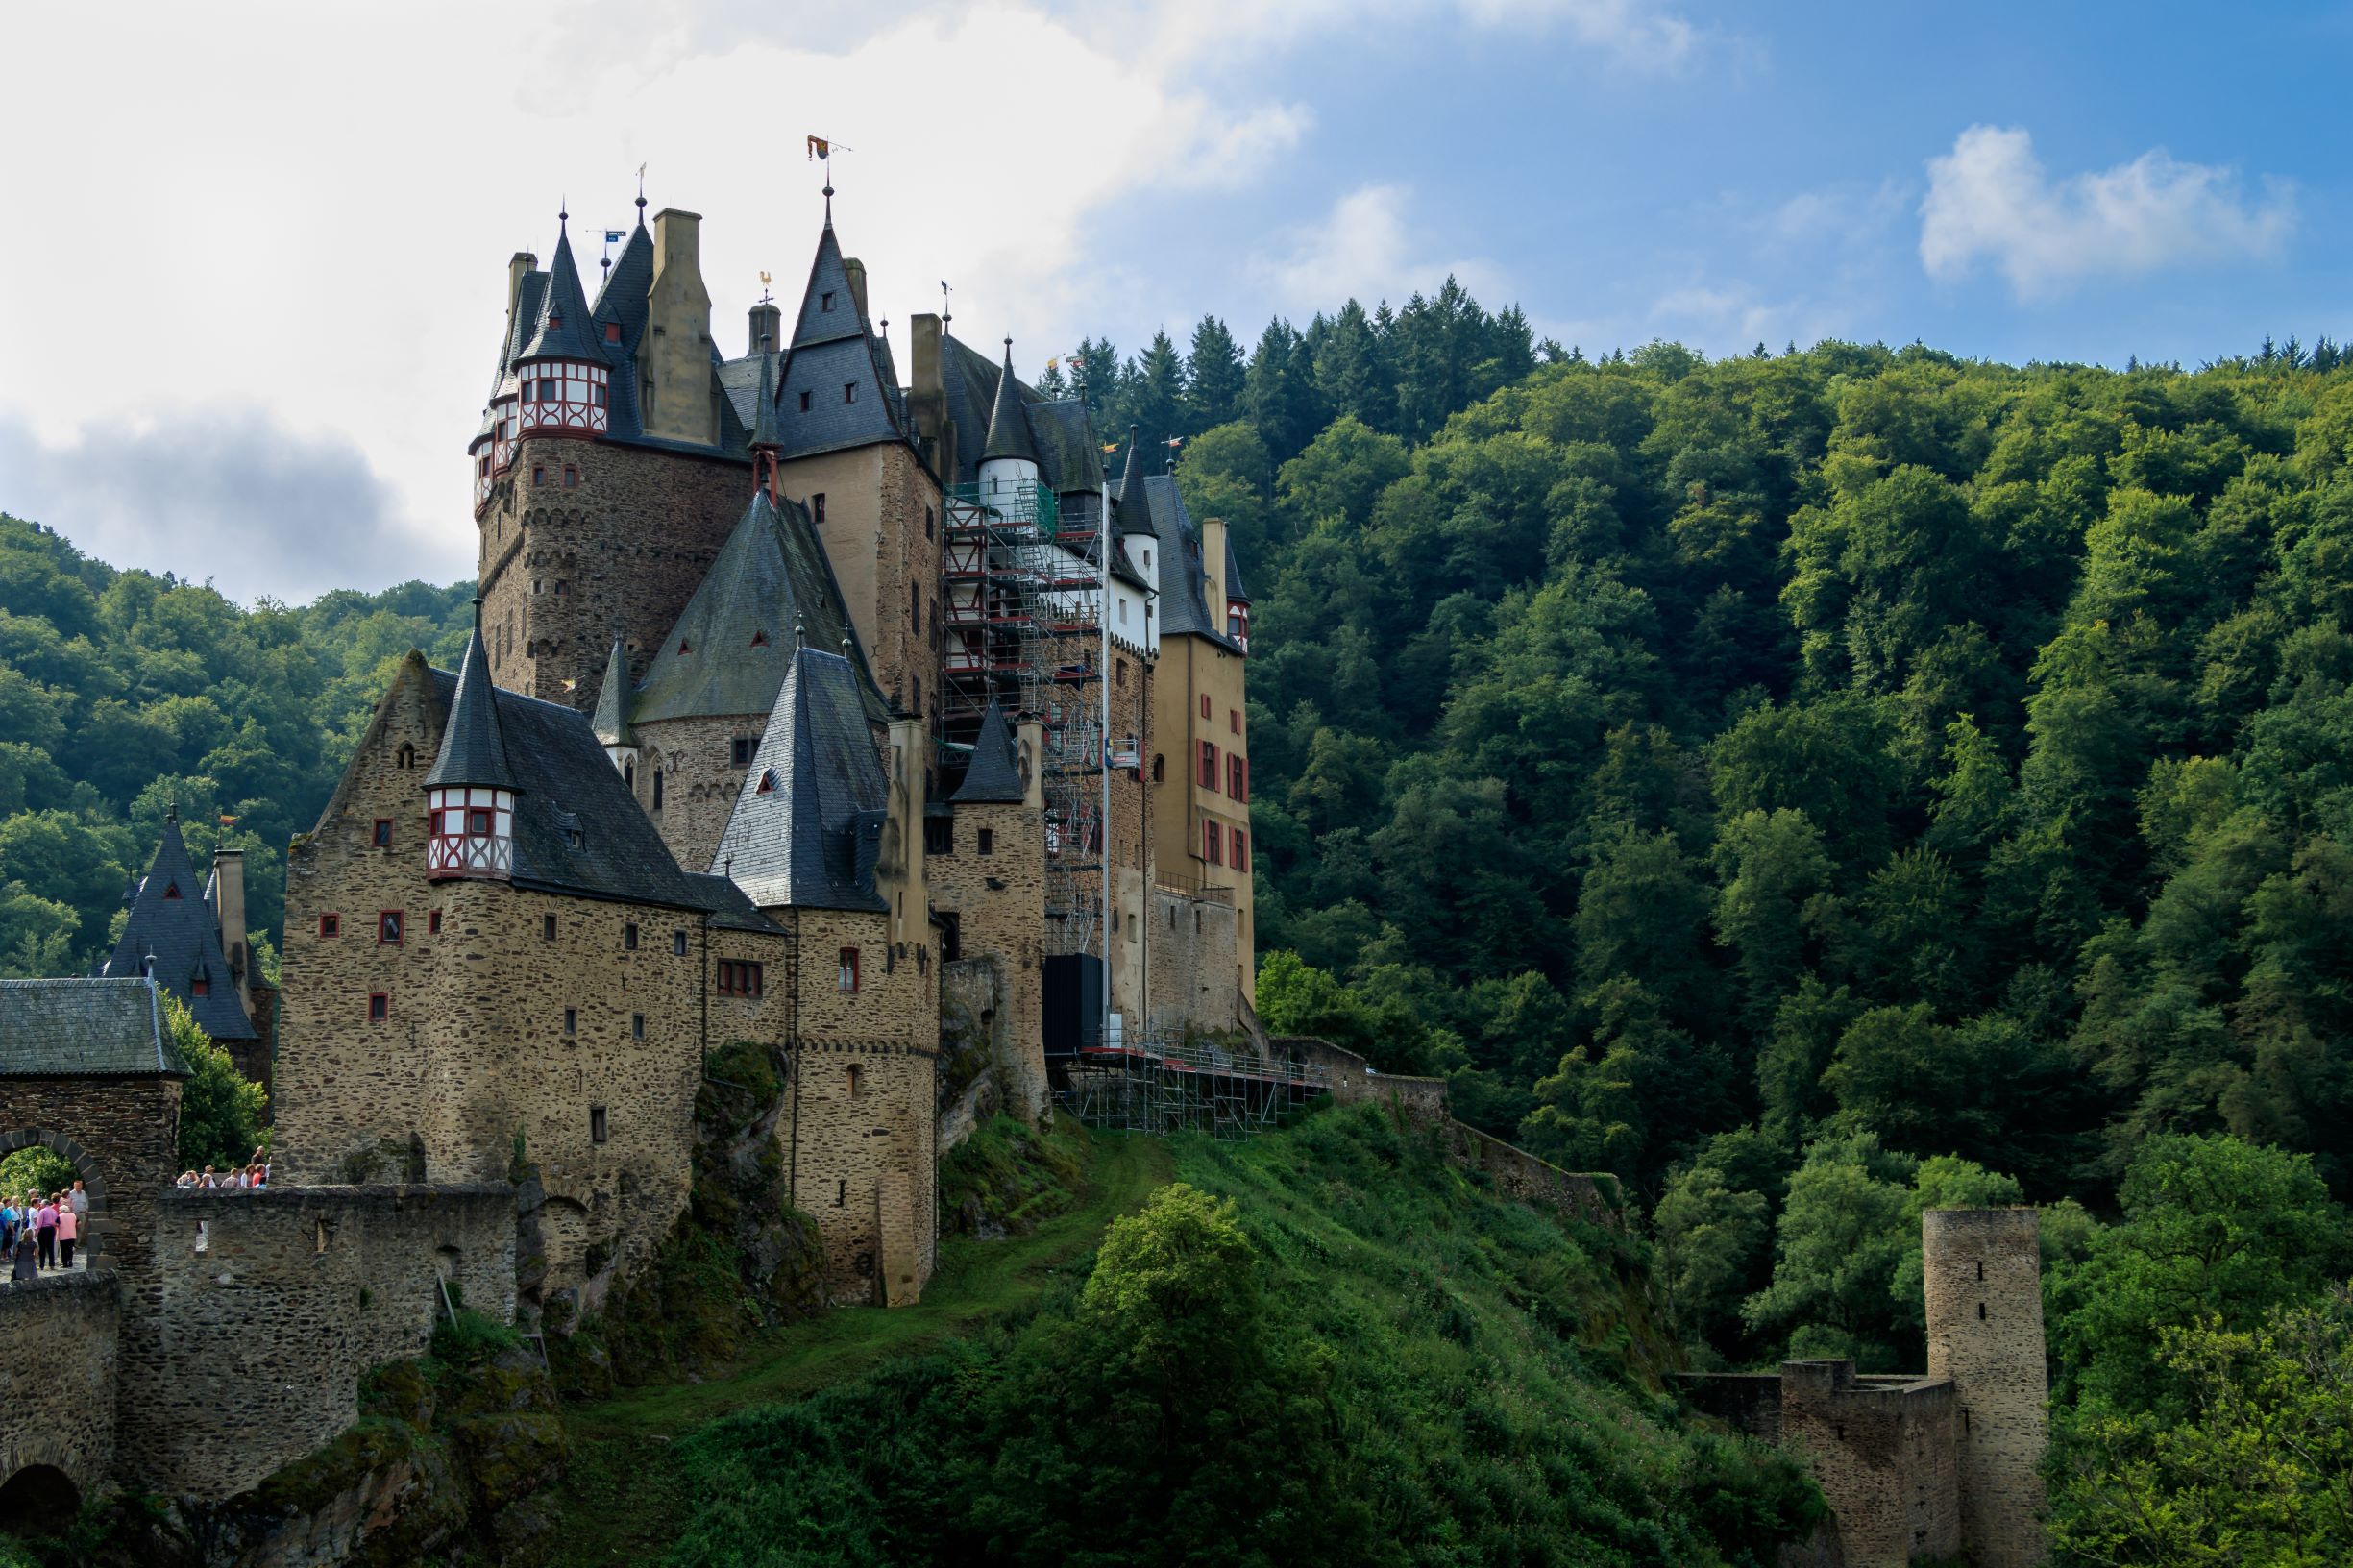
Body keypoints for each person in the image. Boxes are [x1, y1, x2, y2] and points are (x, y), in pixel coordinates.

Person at [34, 1195, 57, 1270]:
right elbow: (56, 1221)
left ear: (44, 1204)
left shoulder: (42, 1211)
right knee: (51, 1247)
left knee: (42, 1248)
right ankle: (52, 1264)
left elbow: (39, 1223)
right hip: (52, 1229)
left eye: (41, 1204)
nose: (40, 1205)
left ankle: (42, 1265)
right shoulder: (54, 1211)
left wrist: (36, 1232)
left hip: (44, 1229)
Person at [55, 1201, 76, 1270]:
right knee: (70, 1249)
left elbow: (56, 1224)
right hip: (72, 1235)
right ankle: (70, 1262)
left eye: (59, 1210)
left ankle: (65, 1264)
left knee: (63, 1250)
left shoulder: (60, 1216)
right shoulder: (73, 1215)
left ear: (62, 1210)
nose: (59, 1211)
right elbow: (79, 1223)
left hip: (63, 1236)